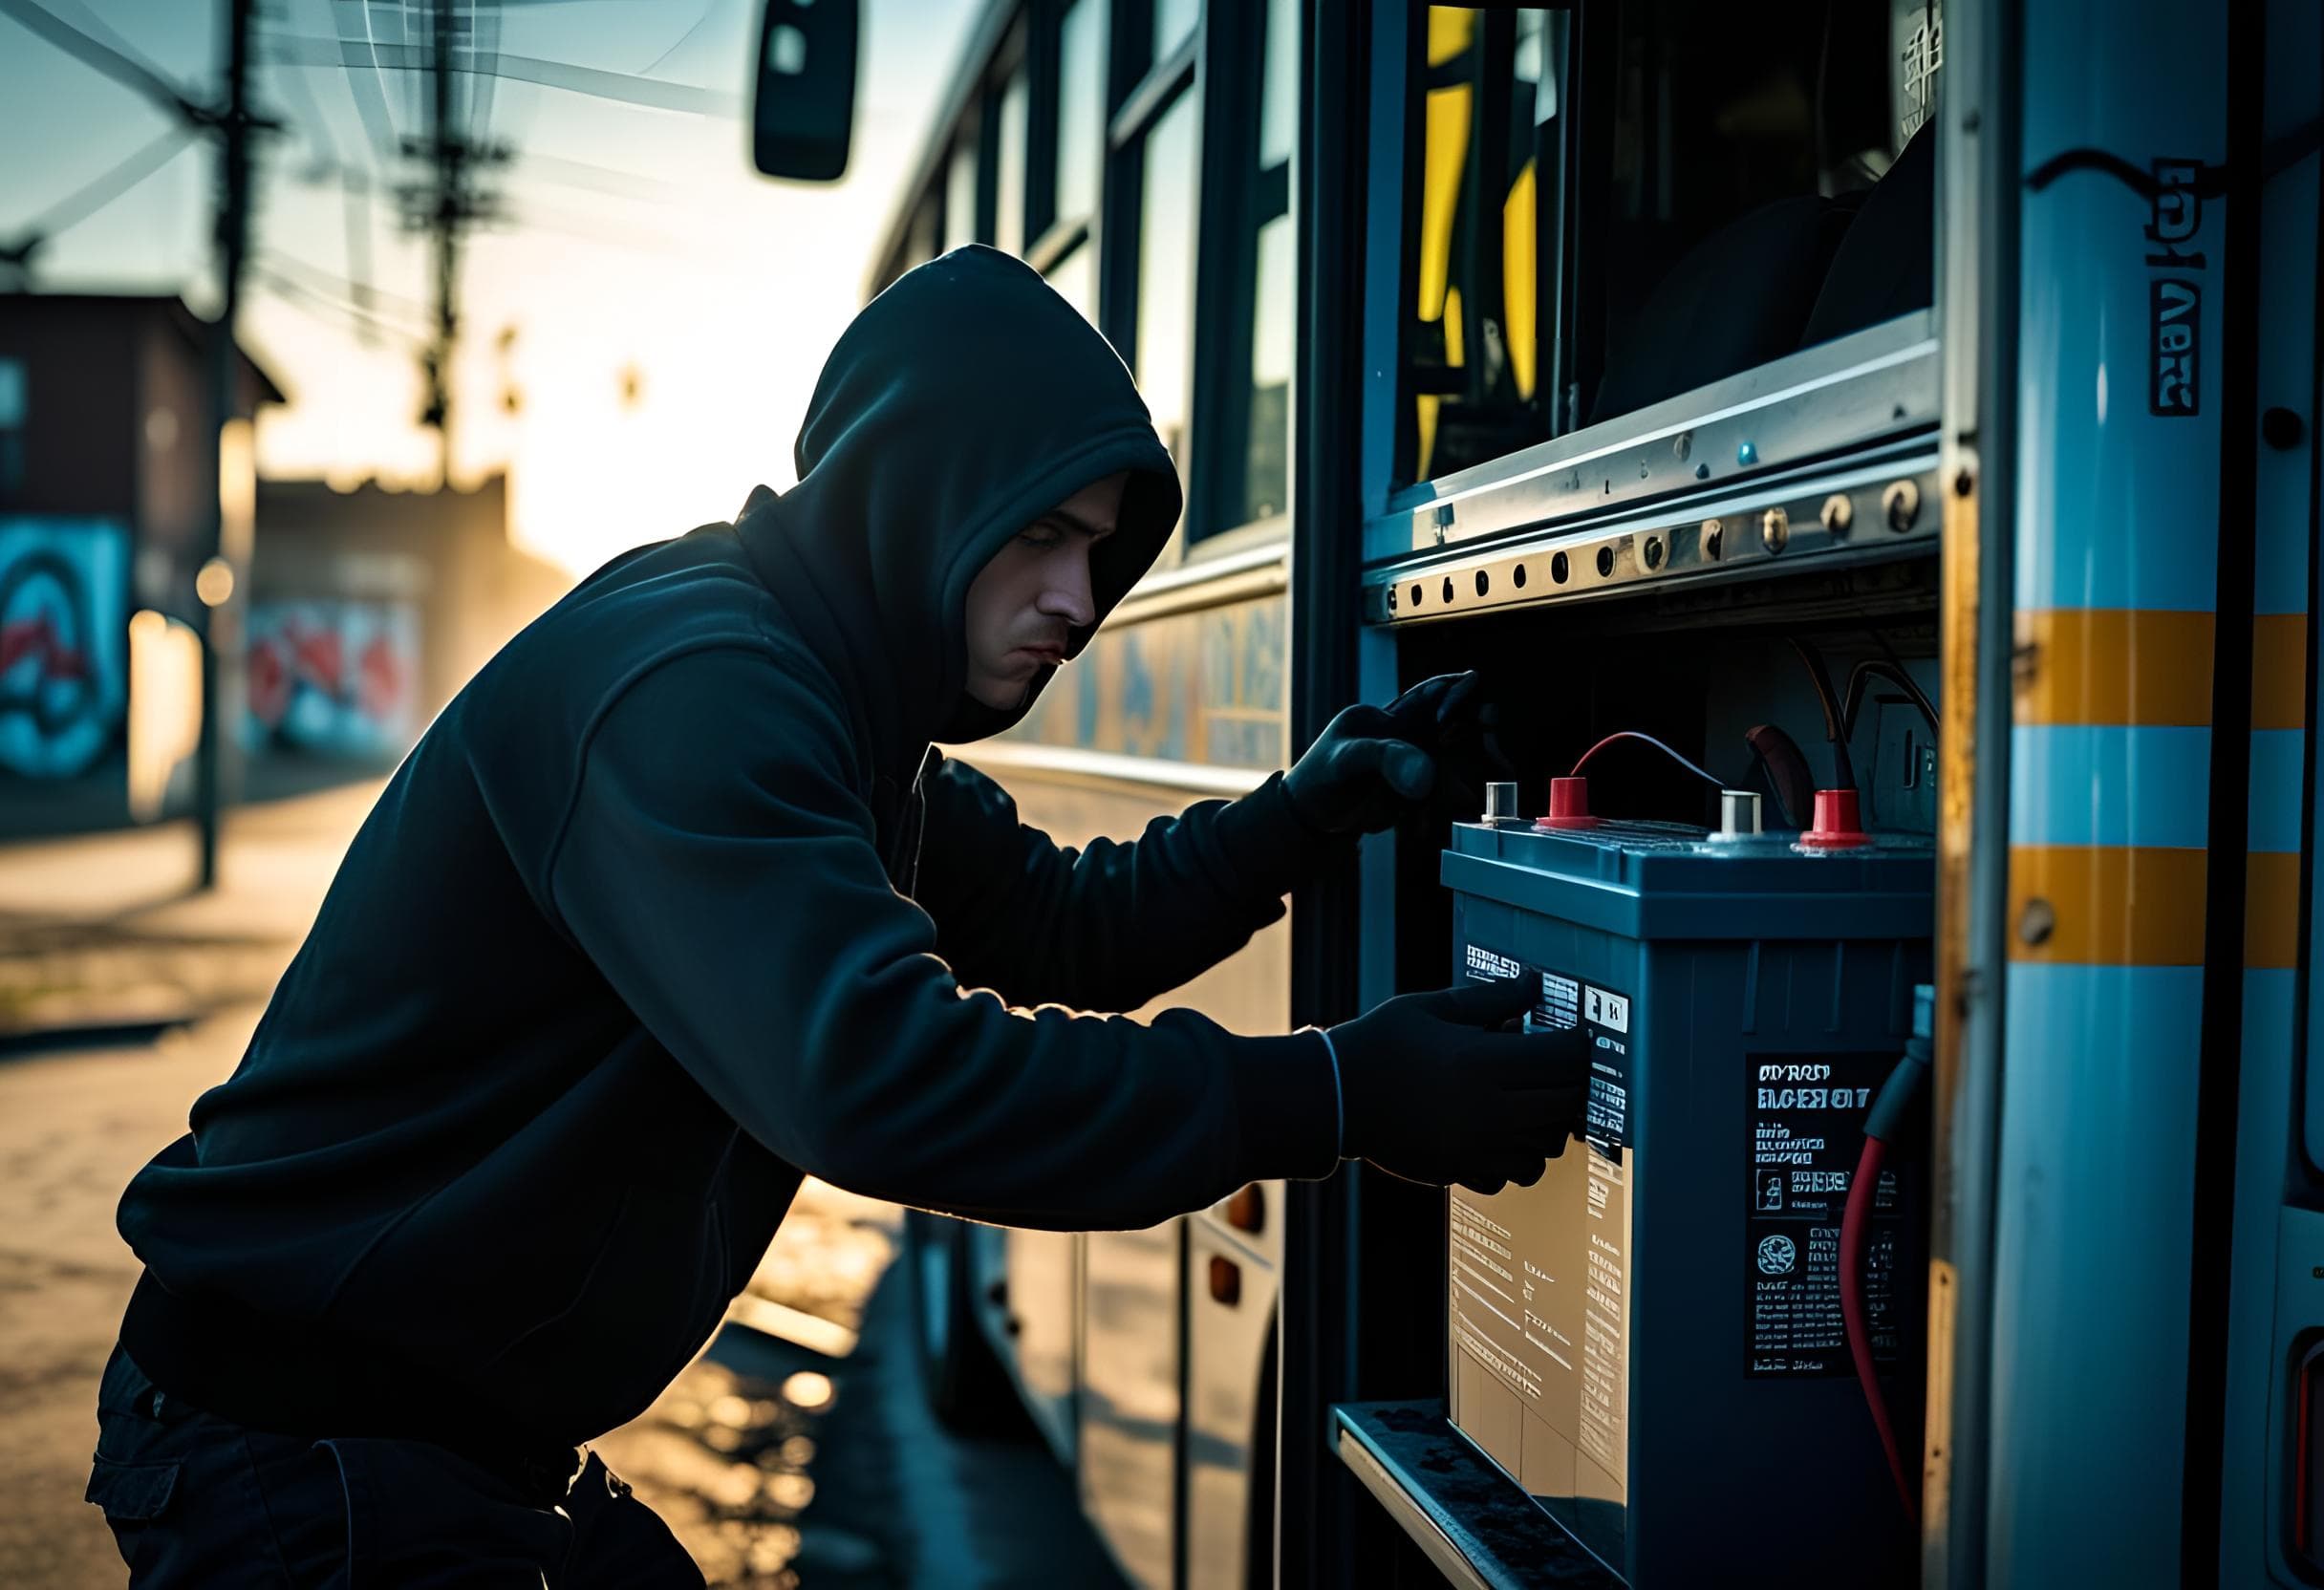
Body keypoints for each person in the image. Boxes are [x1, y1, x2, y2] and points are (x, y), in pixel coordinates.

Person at [88, 246, 1585, 1584]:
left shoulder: (856, 724)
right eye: (1041, 536)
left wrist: (1304, 812)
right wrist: (1340, 1093)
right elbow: (879, 1080)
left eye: (1099, 554)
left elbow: (1064, 926)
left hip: (455, 1446)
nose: (1080, 601)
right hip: (305, 1450)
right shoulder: (700, 687)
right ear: (919, 498)